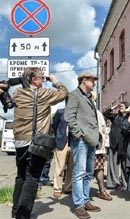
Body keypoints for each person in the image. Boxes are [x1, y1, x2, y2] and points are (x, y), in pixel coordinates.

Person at [11, 67, 68, 219]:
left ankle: (16, 211)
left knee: (21, 176)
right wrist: (55, 81)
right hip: (37, 142)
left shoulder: (17, 93)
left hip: (19, 141)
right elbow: (64, 93)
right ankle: (23, 215)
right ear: (34, 80)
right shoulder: (43, 93)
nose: (43, 80)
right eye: (41, 78)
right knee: (33, 177)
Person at [64, 72, 101, 219]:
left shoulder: (88, 98)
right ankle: (79, 205)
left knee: (88, 173)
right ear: (84, 80)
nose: (94, 83)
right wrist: (78, 134)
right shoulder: (74, 95)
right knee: (79, 173)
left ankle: (85, 201)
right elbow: (69, 116)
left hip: (91, 140)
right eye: (92, 80)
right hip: (80, 140)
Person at [103, 101, 130, 191]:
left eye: (123, 106)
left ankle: (126, 183)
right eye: (120, 107)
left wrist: (129, 111)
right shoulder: (115, 117)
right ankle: (114, 183)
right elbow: (106, 113)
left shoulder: (129, 117)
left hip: (124, 144)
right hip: (114, 144)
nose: (121, 108)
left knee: (124, 165)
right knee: (113, 164)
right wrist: (114, 107)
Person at [91, 91, 112, 201]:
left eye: (93, 98)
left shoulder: (98, 113)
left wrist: (105, 145)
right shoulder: (81, 110)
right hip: (85, 146)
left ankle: (102, 191)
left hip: (98, 147)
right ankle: (81, 196)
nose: (92, 100)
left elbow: (104, 130)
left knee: (99, 168)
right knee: (83, 171)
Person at [52, 107, 73, 198]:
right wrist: (59, 136)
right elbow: (54, 125)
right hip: (61, 142)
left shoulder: (77, 112)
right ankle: (57, 188)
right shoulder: (60, 112)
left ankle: (68, 187)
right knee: (59, 166)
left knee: (71, 167)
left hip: (73, 143)